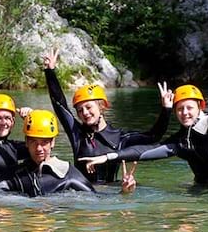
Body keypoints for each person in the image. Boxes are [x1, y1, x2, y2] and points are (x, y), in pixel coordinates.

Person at [81, 50, 208, 189]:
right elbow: (144, 152)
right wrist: (108, 157)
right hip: (201, 193)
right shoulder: (178, 142)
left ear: (201, 106)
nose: (184, 113)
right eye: (179, 109)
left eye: (189, 108)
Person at [42, 48, 173, 183]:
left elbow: (153, 137)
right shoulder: (77, 134)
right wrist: (50, 72)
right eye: (80, 110)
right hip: (83, 195)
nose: (85, 113)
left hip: (110, 195)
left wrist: (166, 109)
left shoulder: (120, 138)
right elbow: (59, 105)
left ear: (102, 107)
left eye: (88, 107)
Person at [0, 109, 137, 197]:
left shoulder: (68, 174)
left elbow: (98, 200)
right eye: (34, 142)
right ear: (26, 142)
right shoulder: (15, 175)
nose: (39, 148)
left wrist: (124, 192)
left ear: (52, 143)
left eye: (44, 142)